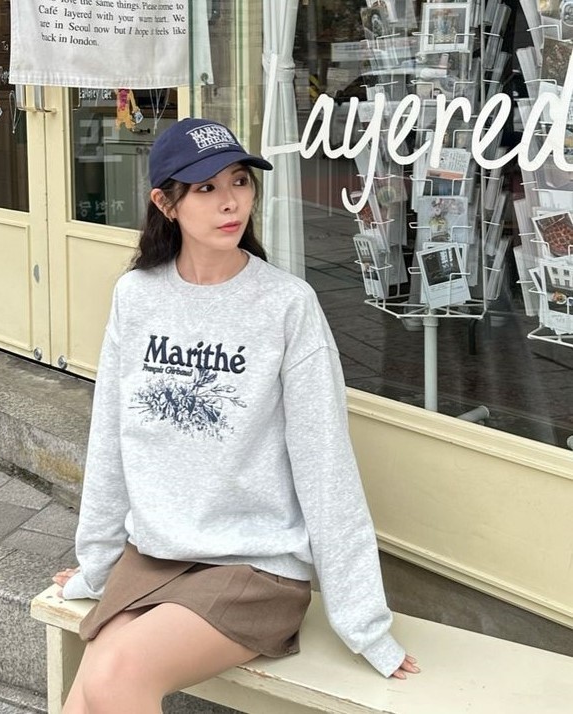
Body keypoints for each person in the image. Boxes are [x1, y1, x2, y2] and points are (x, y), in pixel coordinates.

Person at [53, 117, 419, 713]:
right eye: (206, 188)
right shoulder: (137, 296)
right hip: (156, 554)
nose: (231, 202)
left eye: (240, 181)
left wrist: (364, 622)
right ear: (165, 203)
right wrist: (97, 563)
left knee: (114, 677)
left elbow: (325, 463)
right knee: (87, 691)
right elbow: (113, 439)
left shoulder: (286, 305)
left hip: (255, 567)